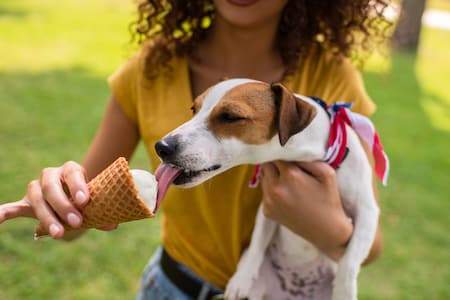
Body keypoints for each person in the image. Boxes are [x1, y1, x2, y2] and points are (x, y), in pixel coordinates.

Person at [0, 0, 391, 299]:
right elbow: (77, 219)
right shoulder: (151, 68)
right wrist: (61, 202)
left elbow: (368, 247)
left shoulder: (331, 76)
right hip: (173, 288)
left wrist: (324, 225)